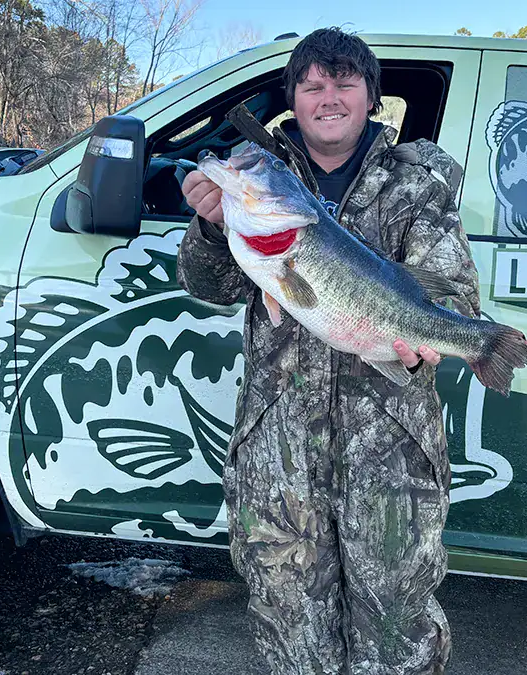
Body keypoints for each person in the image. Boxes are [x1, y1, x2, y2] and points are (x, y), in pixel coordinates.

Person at [175, 26, 480, 675]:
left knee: (397, 628)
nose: (329, 97)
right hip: (279, 455)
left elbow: (450, 290)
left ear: (371, 96)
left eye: (344, 82)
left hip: (391, 452)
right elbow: (211, 287)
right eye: (312, 86)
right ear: (293, 99)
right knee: (290, 627)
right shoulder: (265, 179)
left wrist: (431, 340)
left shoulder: (417, 183)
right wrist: (210, 228)